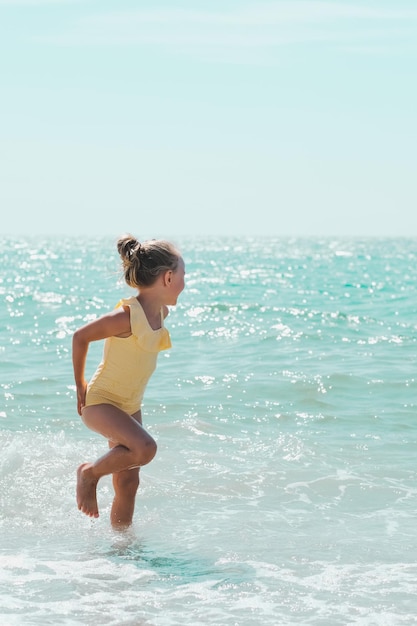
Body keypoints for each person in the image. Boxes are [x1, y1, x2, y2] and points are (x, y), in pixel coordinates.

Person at [73, 233, 185, 529]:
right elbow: (80, 337)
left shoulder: (162, 312)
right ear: (168, 278)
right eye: (184, 275)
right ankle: (89, 473)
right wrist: (80, 388)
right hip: (102, 402)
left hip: (130, 404)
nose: (186, 282)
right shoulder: (126, 317)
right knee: (145, 448)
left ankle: (122, 549)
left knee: (128, 480)